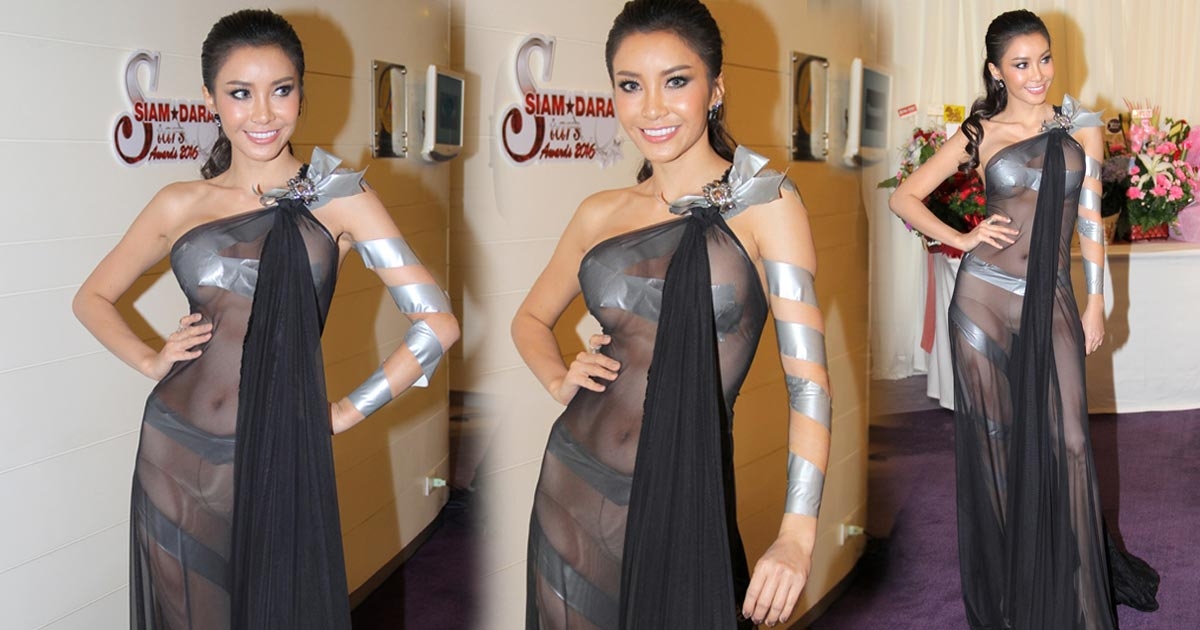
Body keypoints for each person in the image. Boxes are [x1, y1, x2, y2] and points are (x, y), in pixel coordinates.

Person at [72, 9, 458, 629]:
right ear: (210, 99)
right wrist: (150, 358)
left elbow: (437, 323)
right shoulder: (179, 203)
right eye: (239, 93)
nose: (262, 113)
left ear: (302, 94)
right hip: (177, 451)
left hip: (281, 452)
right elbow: (92, 297)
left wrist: (340, 413)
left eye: (280, 90)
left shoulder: (340, 197)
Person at [511, 1, 832, 628]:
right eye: (631, 85)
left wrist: (797, 535)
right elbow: (529, 319)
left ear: (716, 89)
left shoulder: (767, 204)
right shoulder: (600, 212)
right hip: (572, 484)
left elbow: (810, 386)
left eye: (676, 81)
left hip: (686, 492)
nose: (652, 108)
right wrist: (557, 377)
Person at [890, 10, 1157, 629]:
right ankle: (1013, 593)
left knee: (1072, 443)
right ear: (996, 71)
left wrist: (1096, 299)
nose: (1037, 74)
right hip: (982, 300)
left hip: (1053, 297)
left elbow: (1089, 220)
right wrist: (962, 238)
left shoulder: (1080, 124)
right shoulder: (980, 132)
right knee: (994, 445)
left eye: (1044, 59)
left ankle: (1079, 597)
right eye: (1020, 64)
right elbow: (904, 196)